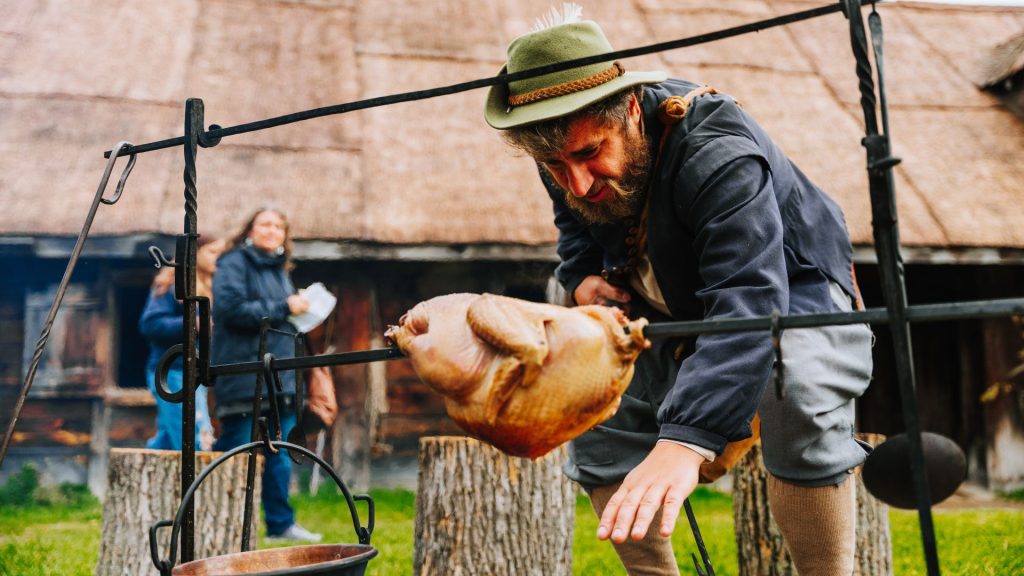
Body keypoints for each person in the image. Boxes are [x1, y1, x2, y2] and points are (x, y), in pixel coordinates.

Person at [485, 8, 874, 576]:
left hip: (790, 289)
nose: (579, 181)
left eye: (591, 154)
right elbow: (576, 223)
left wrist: (686, 442)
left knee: (800, 393)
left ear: (630, 111)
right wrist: (581, 277)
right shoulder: (565, 148)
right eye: (554, 165)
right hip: (661, 297)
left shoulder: (720, 150)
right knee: (594, 413)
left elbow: (748, 297)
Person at [211, 207, 321, 543]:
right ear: (250, 229)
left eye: (279, 226)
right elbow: (230, 311)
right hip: (245, 373)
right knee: (236, 450)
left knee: (281, 453)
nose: (272, 231)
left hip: (280, 376)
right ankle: (216, 520)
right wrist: (285, 306)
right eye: (265, 224)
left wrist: (295, 309)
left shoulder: (280, 269)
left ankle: (280, 524)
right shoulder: (233, 264)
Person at [139, 236, 226, 451]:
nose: (219, 258)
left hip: (195, 372)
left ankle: (145, 482)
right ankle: (194, 485)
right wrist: (192, 323)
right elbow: (150, 324)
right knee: (193, 438)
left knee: (170, 439)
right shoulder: (172, 284)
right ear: (196, 253)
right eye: (213, 252)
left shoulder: (211, 286)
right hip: (172, 371)